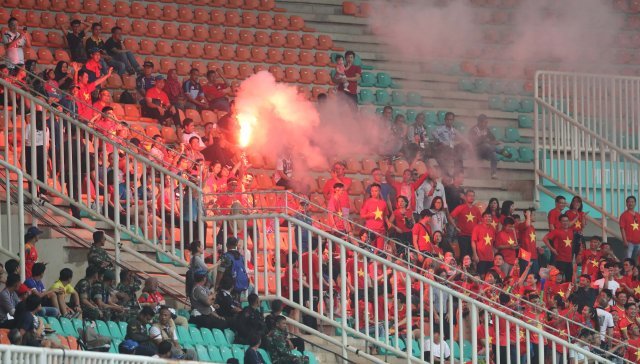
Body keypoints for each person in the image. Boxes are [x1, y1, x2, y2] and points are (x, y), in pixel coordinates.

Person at [468, 114, 511, 179]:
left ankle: (493, 173)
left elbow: (493, 140)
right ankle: (501, 152)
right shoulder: (473, 130)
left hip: (486, 152)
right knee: (486, 145)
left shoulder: (486, 130)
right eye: (485, 122)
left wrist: (496, 142)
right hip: (476, 152)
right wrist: (484, 140)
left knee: (493, 154)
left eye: (487, 122)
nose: (486, 124)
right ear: (479, 122)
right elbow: (473, 143)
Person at [432, 112, 467, 176]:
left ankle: (458, 173)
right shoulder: (442, 129)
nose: (449, 121)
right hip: (442, 148)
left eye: (451, 120)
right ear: (445, 120)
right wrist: (441, 141)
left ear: (453, 121)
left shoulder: (454, 130)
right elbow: (434, 133)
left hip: (450, 148)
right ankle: (448, 174)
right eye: (447, 120)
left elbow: (462, 138)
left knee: (459, 150)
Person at [543, 214, 575, 282]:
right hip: (560, 260)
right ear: (560, 222)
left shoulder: (571, 231)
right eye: (563, 221)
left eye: (566, 221)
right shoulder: (556, 231)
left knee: (569, 280)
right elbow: (545, 239)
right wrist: (552, 249)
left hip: (569, 260)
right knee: (559, 281)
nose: (565, 223)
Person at [450, 190, 481, 260]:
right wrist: (455, 227)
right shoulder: (460, 207)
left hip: (473, 237)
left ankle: (469, 270)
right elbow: (450, 216)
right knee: (463, 255)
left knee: (470, 255)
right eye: (470, 195)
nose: (472, 197)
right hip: (462, 235)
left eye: (473, 196)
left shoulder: (476, 209)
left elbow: (480, 222)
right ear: (465, 197)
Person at [360, 183, 388, 249]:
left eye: (376, 191)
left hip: (381, 230)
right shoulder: (367, 202)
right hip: (370, 230)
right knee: (371, 250)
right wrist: (370, 215)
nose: (374, 193)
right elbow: (362, 215)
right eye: (372, 191)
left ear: (379, 191)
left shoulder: (383, 203)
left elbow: (385, 215)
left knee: (379, 251)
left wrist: (388, 222)